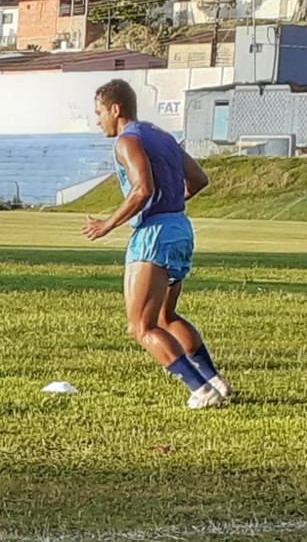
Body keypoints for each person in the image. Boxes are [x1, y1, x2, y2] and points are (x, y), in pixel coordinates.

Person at [81, 79, 232, 409]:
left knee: (140, 327)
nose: (97, 120)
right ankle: (214, 380)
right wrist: (173, 202)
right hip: (180, 228)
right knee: (166, 316)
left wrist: (107, 224)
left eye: (99, 113)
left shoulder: (127, 141)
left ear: (115, 109)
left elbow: (141, 189)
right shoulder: (162, 137)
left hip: (154, 234)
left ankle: (201, 390)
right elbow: (199, 180)